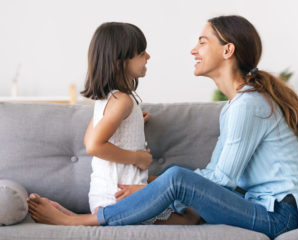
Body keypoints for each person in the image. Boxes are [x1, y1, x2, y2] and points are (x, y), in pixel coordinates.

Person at [27, 15, 298, 239]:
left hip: (279, 217)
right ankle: (109, 212)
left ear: (228, 50)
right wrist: (153, 186)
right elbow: (217, 175)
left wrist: (153, 188)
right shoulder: (236, 105)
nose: (194, 49)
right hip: (261, 205)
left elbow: (220, 179)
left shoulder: (248, 104)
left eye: (203, 42)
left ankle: (81, 220)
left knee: (176, 177)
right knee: (175, 183)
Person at [27, 22, 200, 225]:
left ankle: (77, 216)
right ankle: (76, 221)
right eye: (142, 52)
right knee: (191, 217)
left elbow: (89, 138)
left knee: (186, 206)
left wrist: (133, 122)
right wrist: (138, 157)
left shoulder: (109, 100)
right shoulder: (123, 102)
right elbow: (94, 145)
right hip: (121, 197)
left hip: (110, 194)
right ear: (120, 63)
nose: (148, 56)